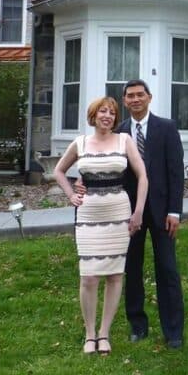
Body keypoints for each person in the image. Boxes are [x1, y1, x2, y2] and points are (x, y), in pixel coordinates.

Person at [54, 97, 148, 355]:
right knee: (89, 277)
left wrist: (138, 211)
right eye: (102, 111)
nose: (107, 115)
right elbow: (58, 171)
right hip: (88, 215)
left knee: (116, 274)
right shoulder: (80, 143)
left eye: (112, 112)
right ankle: (89, 334)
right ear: (93, 115)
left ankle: (104, 333)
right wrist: (71, 194)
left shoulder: (124, 141)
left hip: (118, 211)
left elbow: (142, 175)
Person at [119, 79, 186, 349]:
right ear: (124, 101)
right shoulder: (120, 132)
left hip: (161, 212)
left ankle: (173, 332)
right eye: (130, 96)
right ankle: (137, 325)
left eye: (140, 95)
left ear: (149, 97)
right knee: (131, 269)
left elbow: (175, 172)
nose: (135, 100)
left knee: (167, 269)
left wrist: (174, 211)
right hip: (130, 213)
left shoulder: (166, 128)